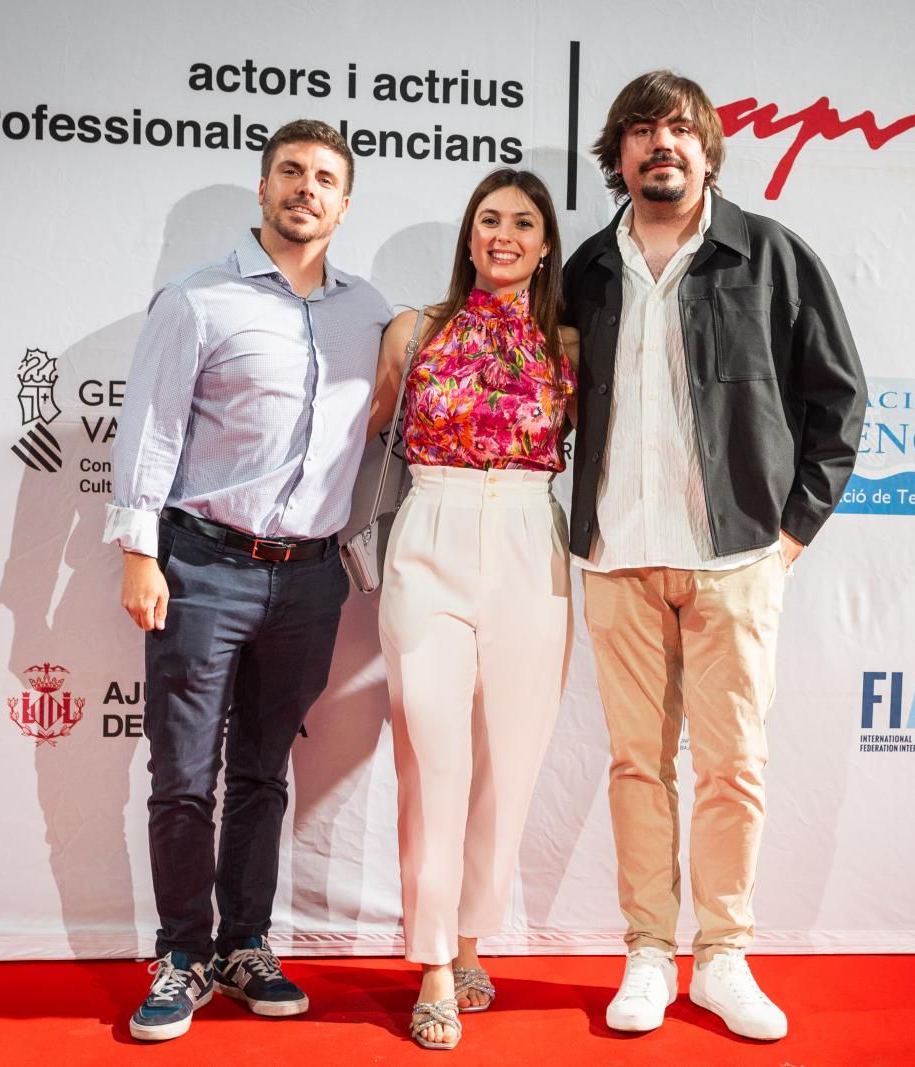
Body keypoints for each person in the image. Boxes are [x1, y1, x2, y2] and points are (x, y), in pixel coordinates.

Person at [562, 71, 866, 1042]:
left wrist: (790, 532)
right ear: (617, 157)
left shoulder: (769, 256)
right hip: (614, 556)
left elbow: (838, 400)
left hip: (736, 554)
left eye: (681, 128)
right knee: (635, 766)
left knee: (732, 764)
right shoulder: (584, 273)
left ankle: (723, 953)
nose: (664, 143)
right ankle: (649, 950)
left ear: (709, 149)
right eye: (644, 130)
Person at [104, 119, 391, 1043]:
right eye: (291, 173)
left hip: (310, 583)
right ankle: (182, 953)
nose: (307, 189)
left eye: (325, 179)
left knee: (264, 774)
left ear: (344, 205)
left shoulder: (370, 313)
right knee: (185, 776)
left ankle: (245, 943)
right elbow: (147, 430)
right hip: (201, 565)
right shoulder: (198, 300)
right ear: (263, 190)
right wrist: (139, 552)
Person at [367, 168, 577, 1051]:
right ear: (468, 235)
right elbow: (368, 428)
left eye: (522, 223)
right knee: (433, 751)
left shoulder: (566, 340)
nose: (503, 235)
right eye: (488, 219)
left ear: (543, 243)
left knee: (510, 759)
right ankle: (433, 967)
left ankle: (469, 937)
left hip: (533, 536)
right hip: (432, 529)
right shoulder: (415, 328)